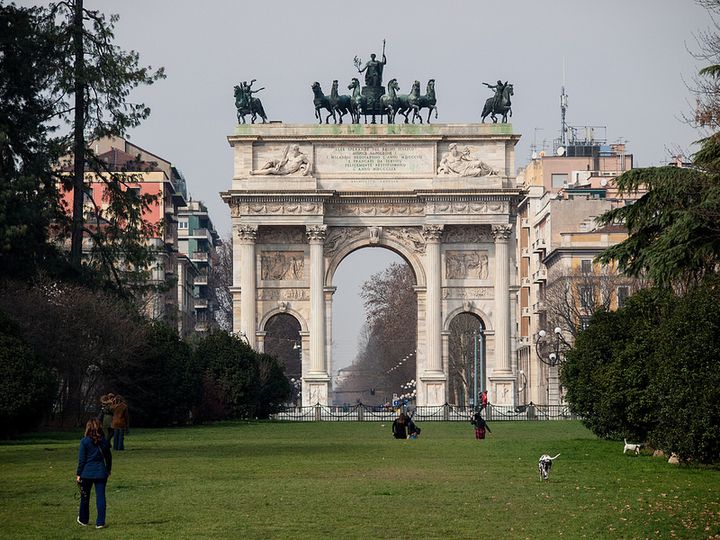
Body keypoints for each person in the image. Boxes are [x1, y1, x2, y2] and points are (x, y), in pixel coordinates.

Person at [76, 418, 112, 528]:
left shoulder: (84, 441)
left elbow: (82, 460)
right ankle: (100, 522)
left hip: (86, 473)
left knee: (85, 497)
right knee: (100, 497)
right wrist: (108, 469)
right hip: (101, 472)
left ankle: (83, 519)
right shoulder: (104, 442)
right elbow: (109, 457)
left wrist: (78, 474)